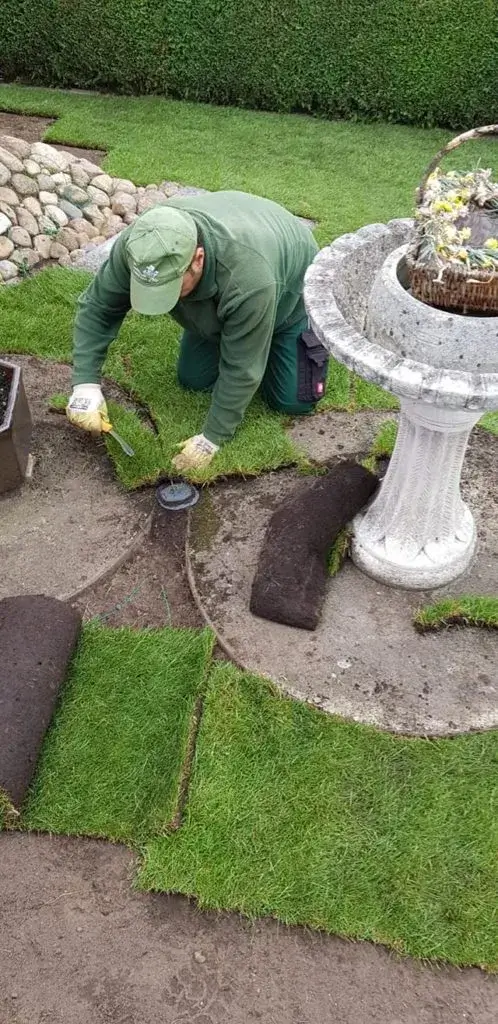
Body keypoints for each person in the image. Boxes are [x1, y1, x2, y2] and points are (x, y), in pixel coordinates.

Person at [66, 190, 329, 472]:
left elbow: (242, 367)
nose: (164, 298)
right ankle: (227, 326)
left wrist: (212, 439)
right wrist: (85, 386)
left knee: (294, 401)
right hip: (242, 259)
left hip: (290, 294)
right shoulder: (142, 245)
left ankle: (286, 334)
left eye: (170, 287)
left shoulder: (249, 278)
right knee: (194, 380)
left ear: (198, 259)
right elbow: (98, 308)